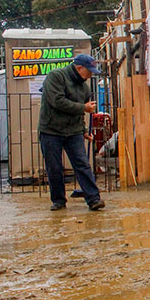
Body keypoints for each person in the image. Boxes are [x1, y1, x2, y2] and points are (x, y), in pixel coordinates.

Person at [38, 54, 105, 211]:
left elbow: (79, 113)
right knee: (54, 167)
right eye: (89, 72)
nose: (90, 76)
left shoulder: (84, 88)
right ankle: (58, 201)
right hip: (51, 130)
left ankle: (94, 199)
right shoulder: (55, 77)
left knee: (82, 164)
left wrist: (83, 130)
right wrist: (84, 108)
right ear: (79, 68)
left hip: (73, 131)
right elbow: (57, 102)